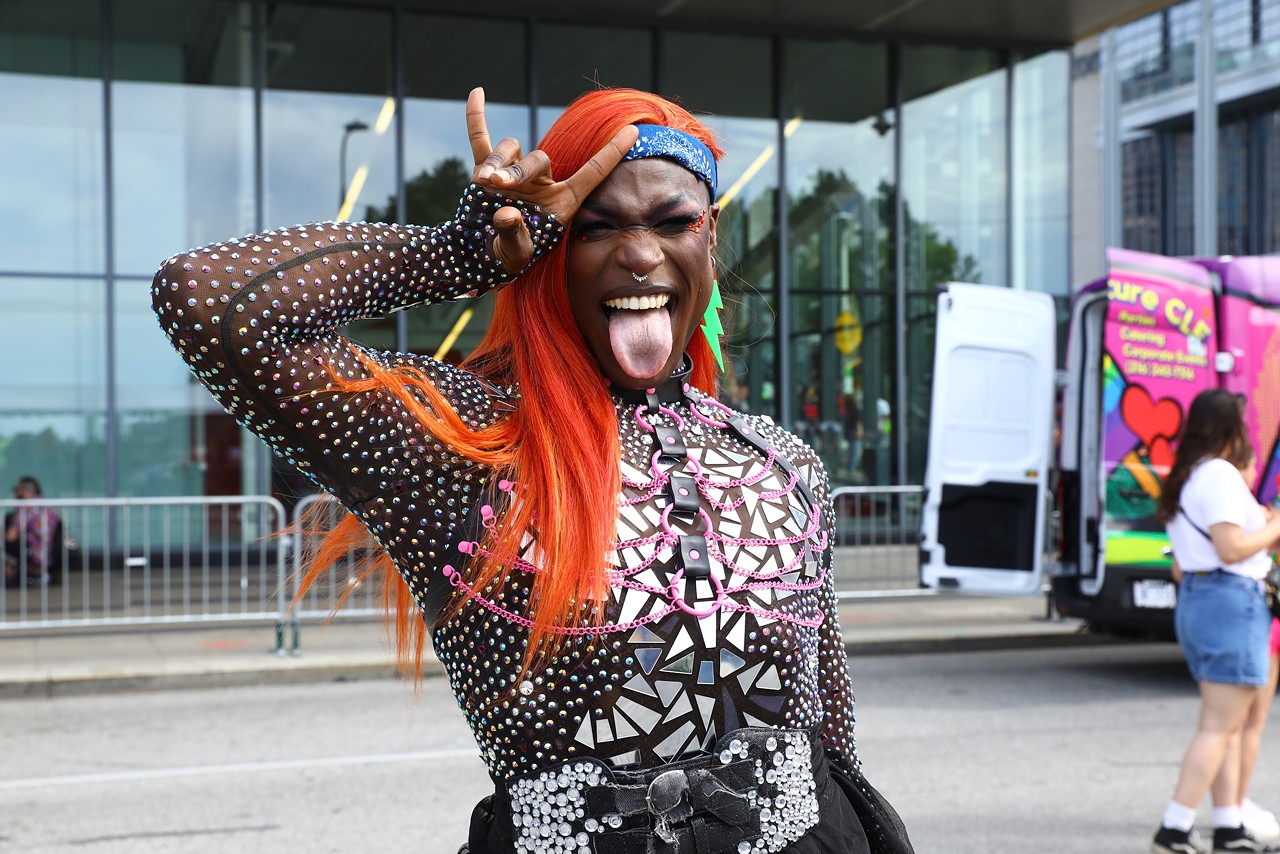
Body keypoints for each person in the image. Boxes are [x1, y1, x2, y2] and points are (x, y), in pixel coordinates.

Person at [152, 87, 913, 853]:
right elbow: (207, 300)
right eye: (595, 227)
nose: (641, 253)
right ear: (552, 248)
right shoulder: (459, 451)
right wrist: (458, 255)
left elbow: (830, 736)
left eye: (674, 222)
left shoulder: (783, 464)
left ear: (708, 238)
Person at [1151, 389, 1280, 854]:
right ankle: (1175, 828)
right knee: (1218, 726)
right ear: (1230, 427)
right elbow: (1231, 548)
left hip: (1201, 601)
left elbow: (1186, 564)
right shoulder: (1220, 474)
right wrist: (1276, 525)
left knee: (1223, 722)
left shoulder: (1187, 477)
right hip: (1231, 601)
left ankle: (1228, 826)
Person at [4, 476, 63, 588]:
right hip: (52, 554)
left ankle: (16, 574)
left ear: (21, 491)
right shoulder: (49, 506)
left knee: (5, 546)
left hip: (35, 555)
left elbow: (10, 536)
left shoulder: (25, 508)